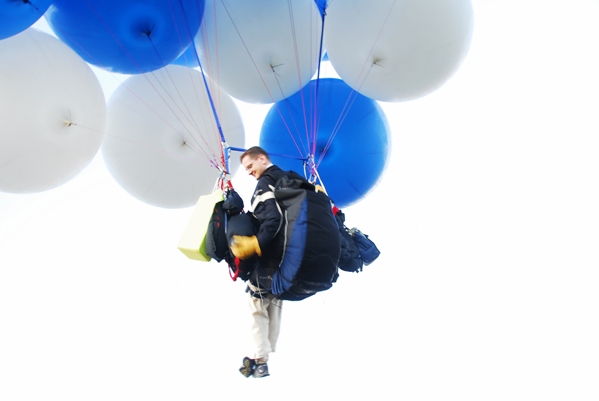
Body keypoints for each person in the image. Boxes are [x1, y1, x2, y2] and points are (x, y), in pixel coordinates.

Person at [231, 146, 289, 379]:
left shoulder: (266, 183)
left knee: (256, 305)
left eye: (250, 166)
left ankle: (260, 358)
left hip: (271, 257)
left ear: (262, 158)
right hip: (291, 259)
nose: (248, 172)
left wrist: (255, 243)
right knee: (274, 302)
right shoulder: (290, 179)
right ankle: (262, 358)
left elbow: (272, 220)